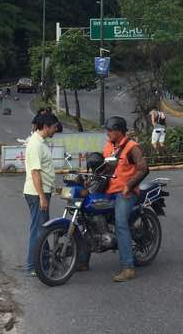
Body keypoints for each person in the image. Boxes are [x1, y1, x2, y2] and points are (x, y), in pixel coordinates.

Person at [79, 115, 148, 282]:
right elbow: (104, 169)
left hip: (126, 193)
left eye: (109, 130)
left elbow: (143, 169)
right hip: (108, 190)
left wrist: (129, 185)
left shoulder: (132, 147)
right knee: (86, 215)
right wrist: (89, 181)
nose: (107, 133)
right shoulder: (109, 146)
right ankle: (82, 261)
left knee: (120, 223)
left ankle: (128, 267)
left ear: (119, 131)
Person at [23, 112, 62, 274]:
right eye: (53, 127)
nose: (55, 130)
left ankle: (43, 264)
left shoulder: (41, 142)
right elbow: (35, 173)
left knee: (42, 229)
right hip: (37, 193)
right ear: (45, 127)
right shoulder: (36, 145)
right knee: (39, 230)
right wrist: (41, 196)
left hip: (42, 192)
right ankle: (33, 266)